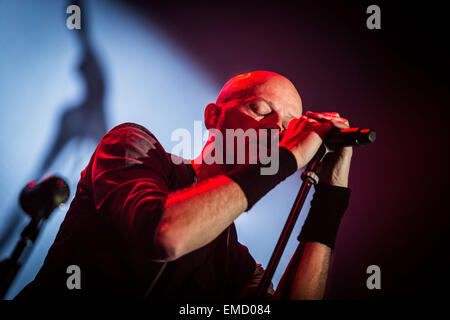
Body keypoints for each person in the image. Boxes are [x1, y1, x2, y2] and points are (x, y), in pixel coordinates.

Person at [15, 71, 352, 300]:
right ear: (213, 117)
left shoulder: (234, 260)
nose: (277, 129)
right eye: (260, 109)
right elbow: (166, 235)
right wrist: (285, 157)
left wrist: (330, 195)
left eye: (290, 128)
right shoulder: (134, 147)